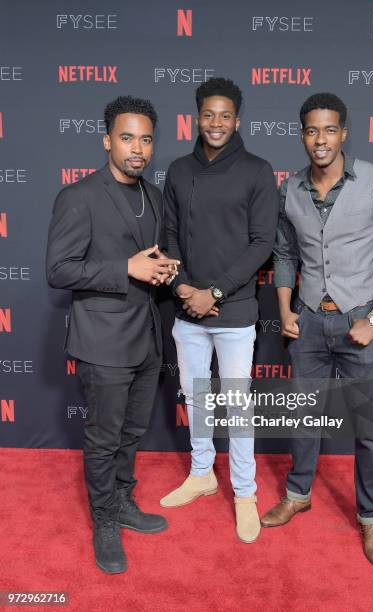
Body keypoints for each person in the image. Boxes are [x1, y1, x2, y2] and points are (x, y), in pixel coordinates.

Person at [261, 93, 373, 565]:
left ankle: (371, 519)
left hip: (358, 324)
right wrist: (286, 310)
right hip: (307, 323)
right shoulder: (289, 188)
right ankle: (298, 492)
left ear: (344, 132)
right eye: (311, 130)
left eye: (329, 130)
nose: (320, 140)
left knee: (368, 429)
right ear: (302, 134)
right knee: (304, 418)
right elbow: (285, 255)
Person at [46, 96, 179, 574]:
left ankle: (122, 502)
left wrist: (160, 271)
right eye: (127, 137)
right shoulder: (78, 197)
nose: (137, 148)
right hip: (103, 341)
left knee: (132, 431)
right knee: (103, 438)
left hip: (146, 337)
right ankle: (103, 521)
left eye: (145, 138)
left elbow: (150, 262)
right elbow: (58, 270)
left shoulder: (155, 196)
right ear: (107, 141)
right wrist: (125, 268)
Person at [161, 77, 279, 543]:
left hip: (233, 312)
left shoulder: (257, 169)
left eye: (225, 115)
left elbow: (263, 243)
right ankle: (202, 474)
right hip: (187, 308)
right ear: (196, 116)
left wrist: (215, 291)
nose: (216, 123)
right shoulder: (176, 169)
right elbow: (168, 236)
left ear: (237, 119)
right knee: (196, 398)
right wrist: (184, 286)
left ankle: (246, 493)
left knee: (236, 405)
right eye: (208, 114)